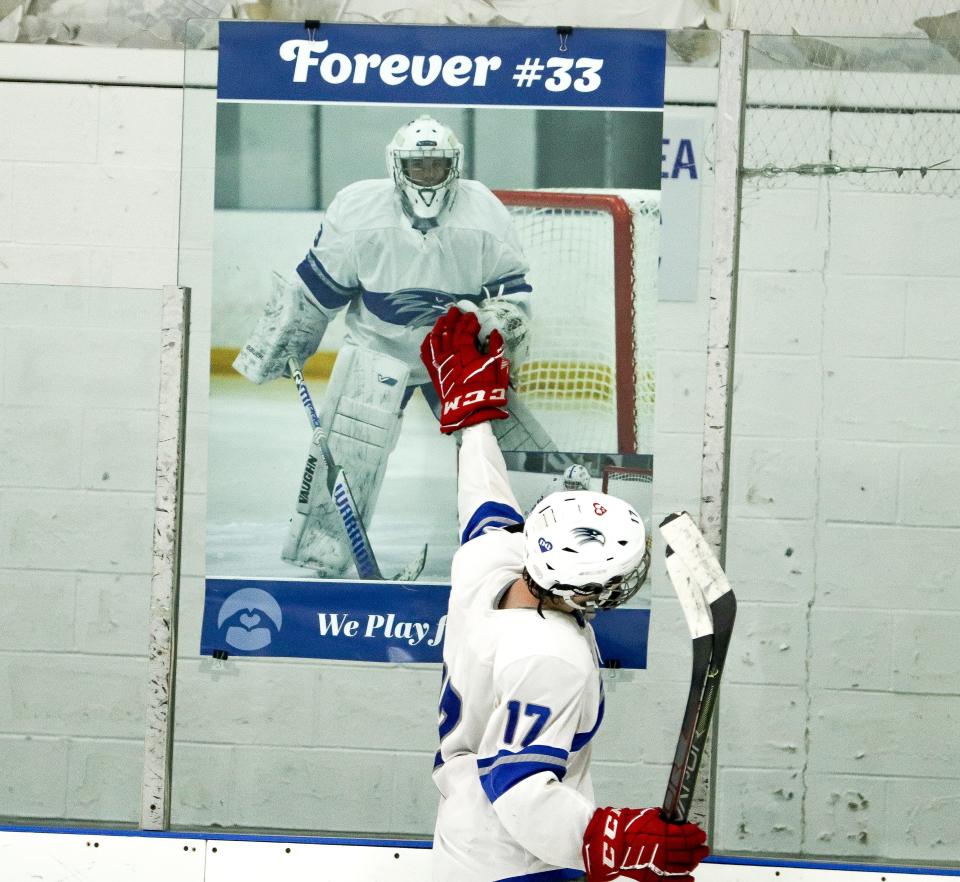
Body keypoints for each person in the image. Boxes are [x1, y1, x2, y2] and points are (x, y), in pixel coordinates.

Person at [420, 307, 710, 882]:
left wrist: (473, 421)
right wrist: (616, 841)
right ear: (593, 594)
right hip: (517, 864)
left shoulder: (490, 564)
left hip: (461, 842)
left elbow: (484, 502)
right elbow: (517, 786)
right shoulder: (552, 659)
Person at [231, 114, 552, 577]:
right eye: (417, 166)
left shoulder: (484, 212)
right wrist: (288, 342)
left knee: (499, 447)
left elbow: (514, 295)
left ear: (454, 165)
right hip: (377, 347)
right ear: (396, 166)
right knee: (348, 452)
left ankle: (528, 543)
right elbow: (317, 292)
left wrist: (497, 328)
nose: (427, 176)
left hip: (456, 351)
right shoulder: (358, 210)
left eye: (436, 166)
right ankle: (324, 549)